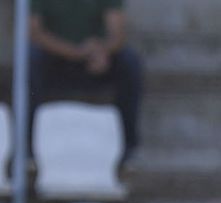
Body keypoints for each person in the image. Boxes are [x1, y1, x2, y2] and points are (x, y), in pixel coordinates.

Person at [28, 0, 143, 162]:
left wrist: (102, 51)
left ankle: (127, 148)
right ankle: (27, 149)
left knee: (129, 62)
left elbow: (117, 32)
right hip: (55, 59)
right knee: (29, 61)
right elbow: (34, 32)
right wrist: (75, 52)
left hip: (95, 59)